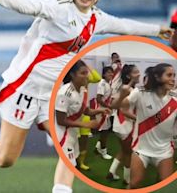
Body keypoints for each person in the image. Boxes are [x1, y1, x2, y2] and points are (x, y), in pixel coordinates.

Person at [0, 0, 172, 191]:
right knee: (4, 159)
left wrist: (156, 30)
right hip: (25, 88)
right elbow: (31, 5)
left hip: (52, 94)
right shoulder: (60, 5)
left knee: (69, 147)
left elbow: (123, 26)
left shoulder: (95, 18)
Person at [111, 63, 176, 189]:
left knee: (165, 185)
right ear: (157, 77)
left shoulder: (175, 98)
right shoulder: (140, 92)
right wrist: (122, 94)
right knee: (134, 184)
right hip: (141, 149)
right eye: (169, 75)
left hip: (164, 151)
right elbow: (115, 106)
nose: (173, 78)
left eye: (174, 75)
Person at [54, 60, 111, 191]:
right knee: (68, 166)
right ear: (73, 75)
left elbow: (85, 110)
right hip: (64, 135)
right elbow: (60, 120)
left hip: (73, 134)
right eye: (83, 73)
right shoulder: (65, 93)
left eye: (87, 73)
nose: (87, 76)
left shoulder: (82, 89)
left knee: (71, 165)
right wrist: (85, 124)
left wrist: (100, 110)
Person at [107, 64, 140, 185]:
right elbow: (125, 111)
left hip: (118, 125)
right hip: (125, 126)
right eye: (135, 72)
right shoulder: (130, 90)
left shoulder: (124, 88)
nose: (139, 74)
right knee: (128, 153)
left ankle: (111, 171)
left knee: (123, 150)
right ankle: (127, 179)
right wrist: (139, 119)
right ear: (128, 75)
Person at [94, 66, 114, 160]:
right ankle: (103, 151)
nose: (111, 74)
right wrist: (108, 106)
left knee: (105, 130)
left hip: (105, 110)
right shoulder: (102, 83)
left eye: (112, 72)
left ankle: (98, 147)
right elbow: (98, 98)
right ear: (104, 74)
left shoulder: (107, 83)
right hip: (102, 111)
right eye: (108, 72)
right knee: (104, 131)